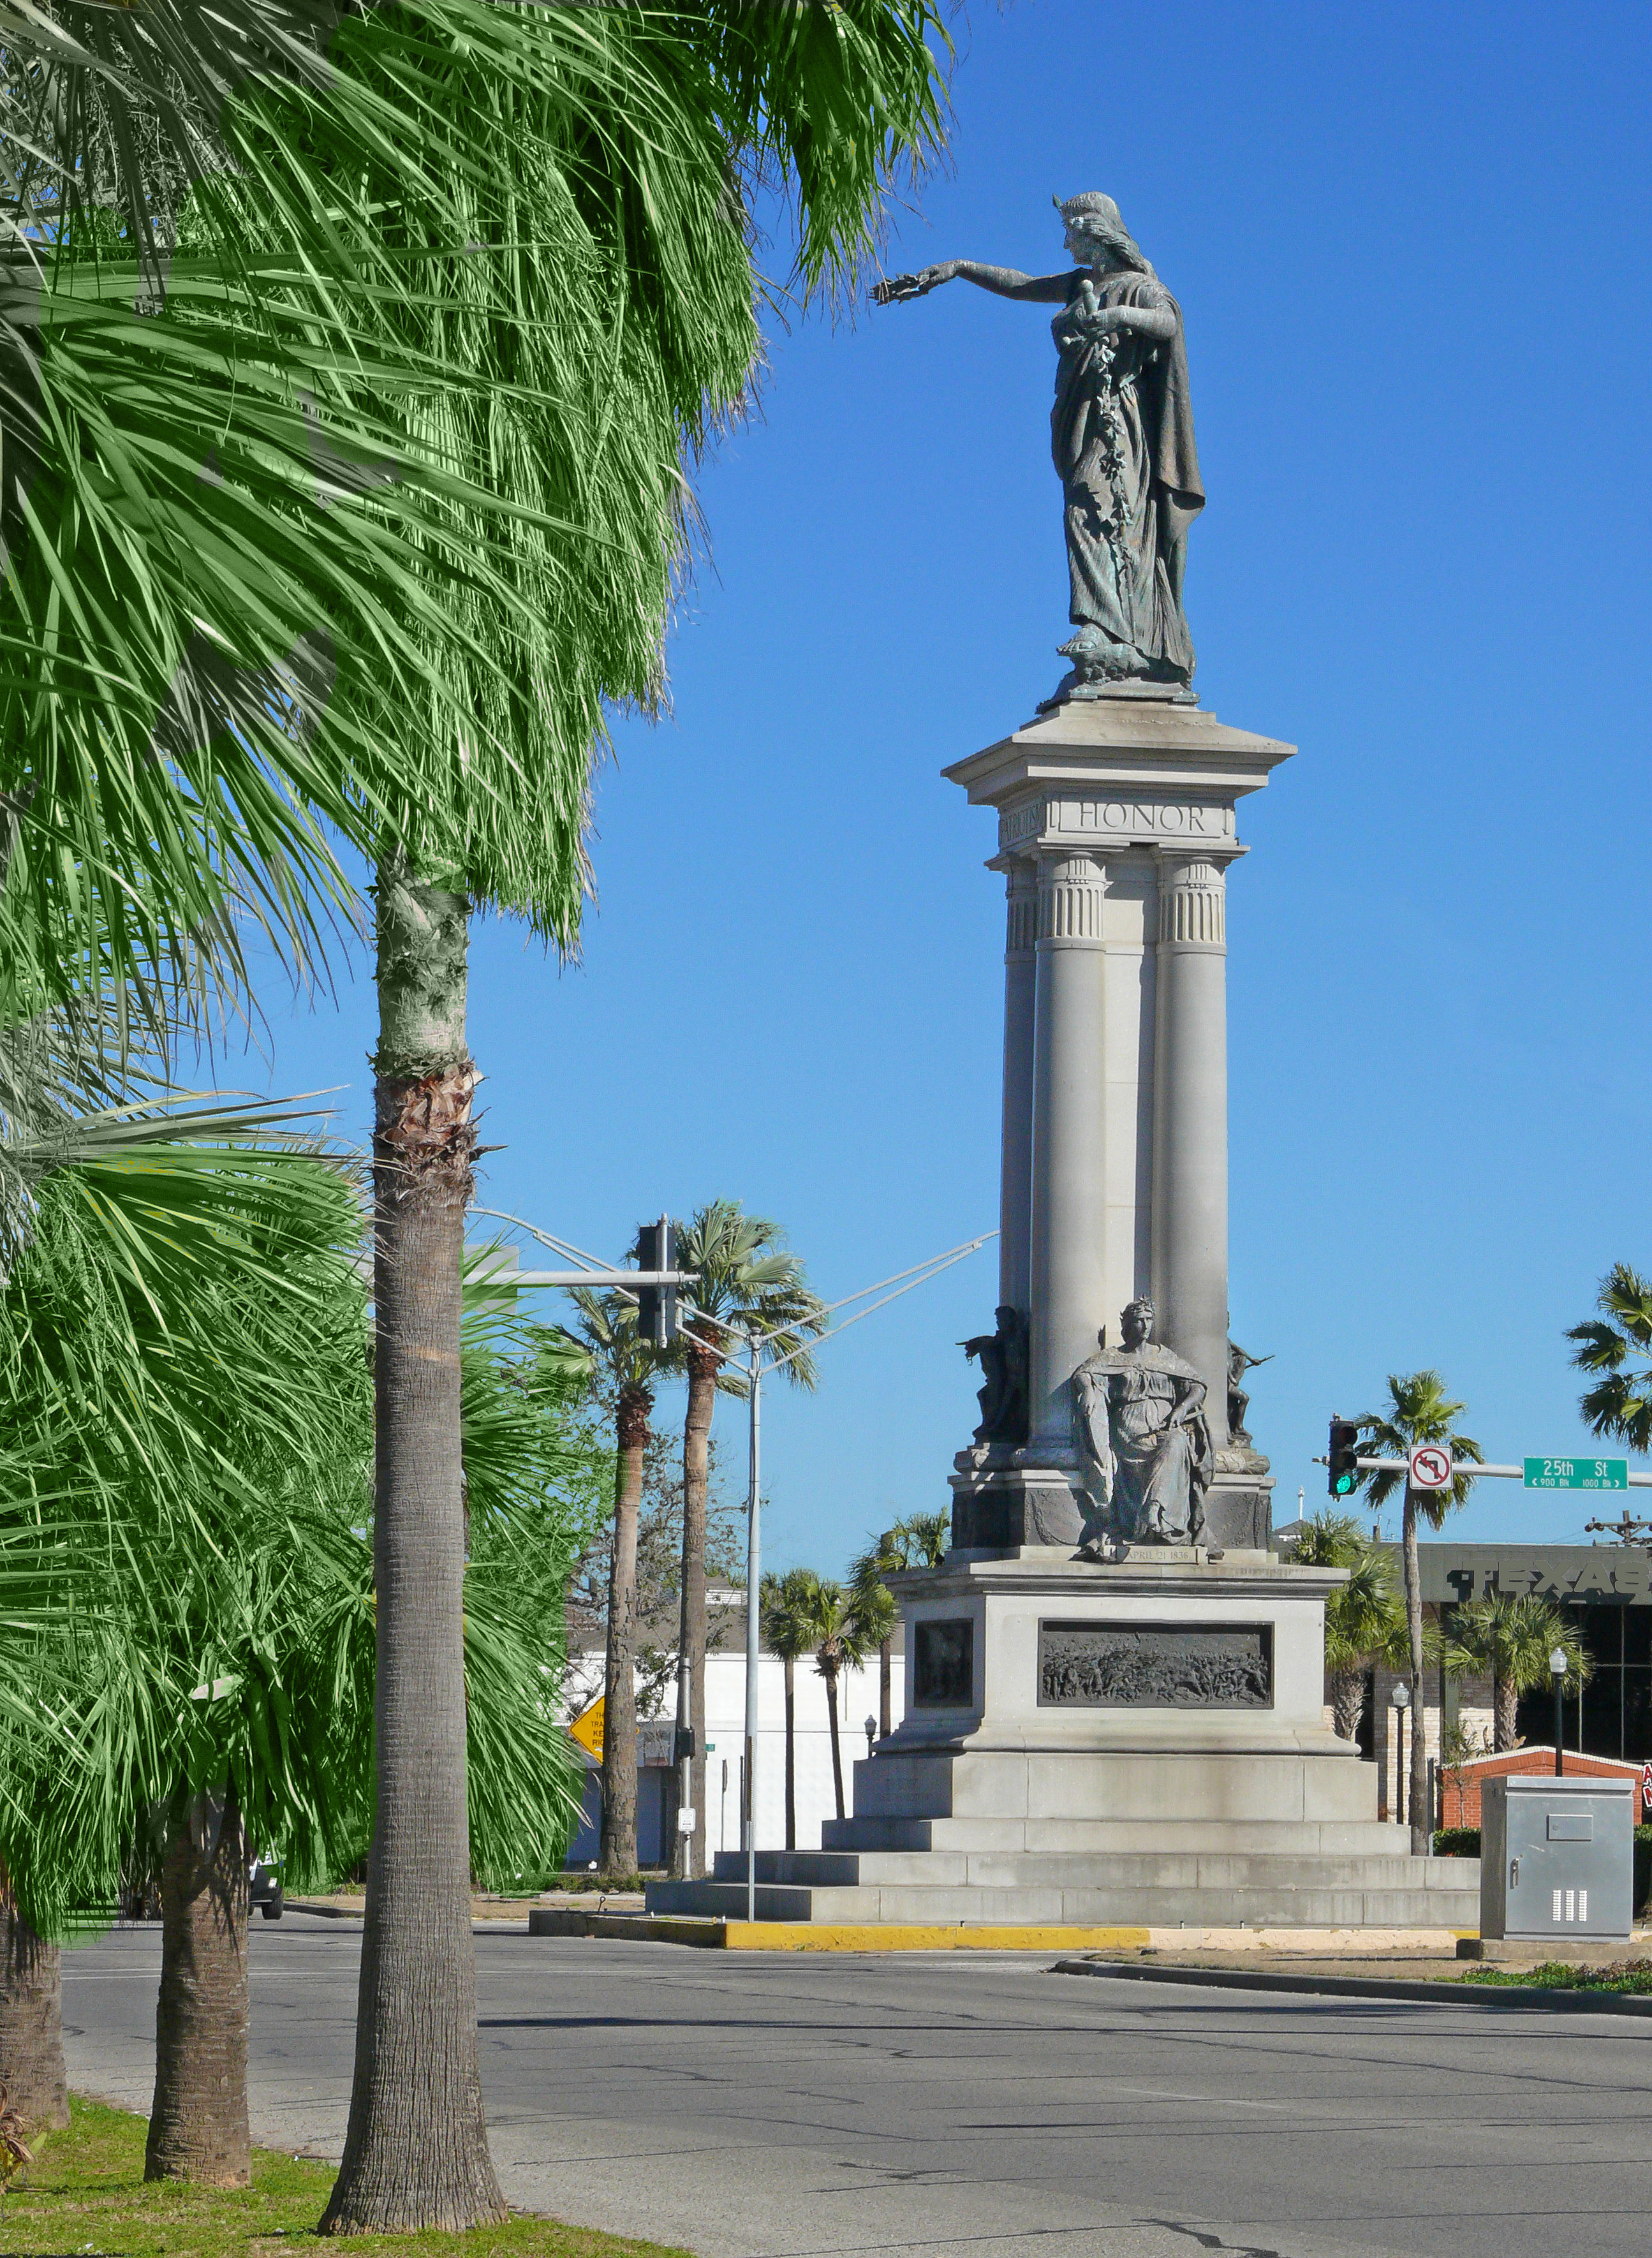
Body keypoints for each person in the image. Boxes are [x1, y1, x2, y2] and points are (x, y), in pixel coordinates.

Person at [874, 192, 1204, 695]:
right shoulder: (1082, 284)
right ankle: (1116, 632)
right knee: (1090, 510)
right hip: (1083, 414)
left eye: (1072, 230)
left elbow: (1168, 322)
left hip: (1120, 420)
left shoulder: (1139, 288)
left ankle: (1108, 629)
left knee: (1098, 512)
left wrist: (1117, 319)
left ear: (1097, 232)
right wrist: (959, 268)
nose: (1065, 241)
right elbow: (1021, 286)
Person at [1072, 1297, 1213, 1549]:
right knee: (1168, 1446)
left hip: (1165, 1423)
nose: (1146, 1326)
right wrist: (1090, 1391)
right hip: (1130, 1425)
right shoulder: (1114, 1356)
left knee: (1178, 1442)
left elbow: (1197, 1386)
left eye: (1149, 1320)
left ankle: (1156, 1510)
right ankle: (1151, 1513)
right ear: (1127, 1324)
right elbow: (1084, 1373)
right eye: (1139, 1320)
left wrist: (1181, 1409)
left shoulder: (1165, 1357)